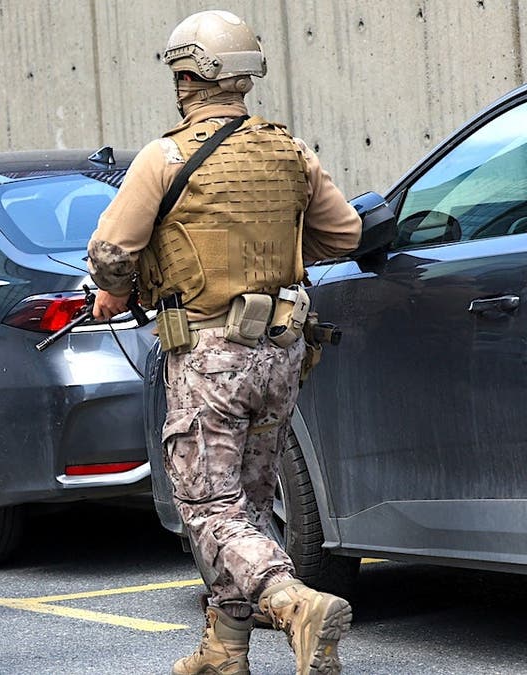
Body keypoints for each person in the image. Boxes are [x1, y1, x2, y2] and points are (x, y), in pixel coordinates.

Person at [86, 11, 362, 675]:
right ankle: (224, 649)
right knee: (244, 499)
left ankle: (292, 602)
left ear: (189, 76)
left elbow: (110, 252)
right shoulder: (288, 150)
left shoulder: (167, 155)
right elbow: (344, 233)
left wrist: (115, 289)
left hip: (210, 355)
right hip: (284, 350)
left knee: (208, 506)